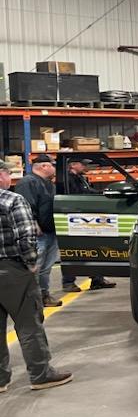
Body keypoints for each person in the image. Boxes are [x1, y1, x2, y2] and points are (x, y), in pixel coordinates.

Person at [0, 160, 73, 392]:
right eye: (7, 174)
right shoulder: (12, 200)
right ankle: (40, 374)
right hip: (12, 270)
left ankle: (0, 379)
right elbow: (26, 235)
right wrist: (31, 263)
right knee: (29, 323)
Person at [61, 157, 116, 293]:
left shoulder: (80, 178)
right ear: (73, 165)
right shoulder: (68, 180)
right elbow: (76, 196)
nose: (85, 167)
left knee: (91, 247)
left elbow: (88, 192)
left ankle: (97, 279)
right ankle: (68, 282)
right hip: (74, 218)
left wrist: (102, 194)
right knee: (73, 250)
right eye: (82, 164)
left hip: (85, 216)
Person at [14, 154, 62, 307]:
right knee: (34, 266)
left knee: (46, 268)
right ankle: (31, 299)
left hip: (50, 231)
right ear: (44, 166)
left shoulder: (48, 183)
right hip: (38, 233)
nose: (54, 168)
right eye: (52, 165)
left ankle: (43, 295)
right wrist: (33, 223)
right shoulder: (28, 182)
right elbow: (25, 205)